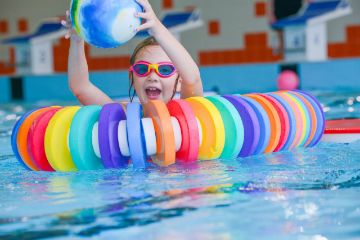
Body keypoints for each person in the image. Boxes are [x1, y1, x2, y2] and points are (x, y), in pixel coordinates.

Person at [62, 0, 203, 106]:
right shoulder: (125, 117)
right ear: (132, 79)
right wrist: (77, 40)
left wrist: (157, 28)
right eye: (142, 69)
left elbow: (193, 79)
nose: (152, 76)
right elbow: (80, 88)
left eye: (164, 70)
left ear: (179, 82)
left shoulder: (187, 113)